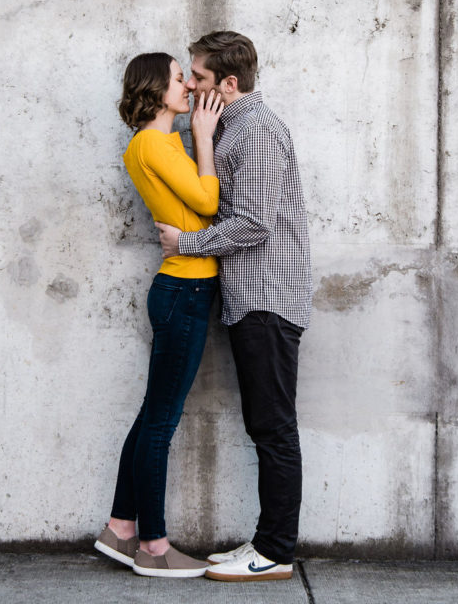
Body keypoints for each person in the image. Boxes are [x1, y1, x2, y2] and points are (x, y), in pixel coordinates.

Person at [156, 31, 313, 582]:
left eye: (197, 77)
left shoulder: (260, 130)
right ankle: (266, 542)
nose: (192, 85)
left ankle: (274, 551)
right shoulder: (233, 127)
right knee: (264, 424)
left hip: (268, 297)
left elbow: (254, 223)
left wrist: (187, 244)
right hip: (250, 298)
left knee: (273, 427)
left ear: (228, 82)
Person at [94, 52, 224, 579]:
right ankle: (153, 546)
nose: (189, 87)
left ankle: (120, 528)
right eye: (179, 79)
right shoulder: (152, 142)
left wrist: (190, 137)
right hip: (183, 291)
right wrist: (206, 138)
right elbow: (208, 201)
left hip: (184, 289)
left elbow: (192, 210)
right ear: (156, 89)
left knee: (152, 415)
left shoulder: (162, 142)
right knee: (162, 422)